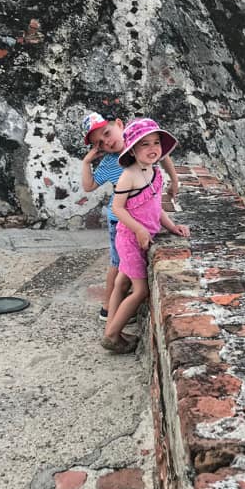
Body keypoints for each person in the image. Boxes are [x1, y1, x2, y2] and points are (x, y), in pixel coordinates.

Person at [80, 112, 179, 324]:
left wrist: (174, 181)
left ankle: (120, 307)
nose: (107, 141)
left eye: (107, 133)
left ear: (119, 124)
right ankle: (108, 308)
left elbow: (164, 155)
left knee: (127, 268)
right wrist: (86, 162)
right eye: (100, 143)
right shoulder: (109, 163)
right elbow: (89, 187)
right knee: (117, 264)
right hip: (120, 219)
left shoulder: (141, 140)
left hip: (140, 214)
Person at [103, 118, 190, 353]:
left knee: (121, 283)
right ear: (132, 149)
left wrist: (171, 226)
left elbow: (154, 207)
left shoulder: (154, 171)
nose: (152, 149)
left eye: (156, 143)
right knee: (140, 290)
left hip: (137, 236)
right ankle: (112, 335)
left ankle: (111, 328)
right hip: (130, 239)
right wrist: (140, 229)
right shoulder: (129, 175)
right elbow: (117, 209)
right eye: (144, 144)